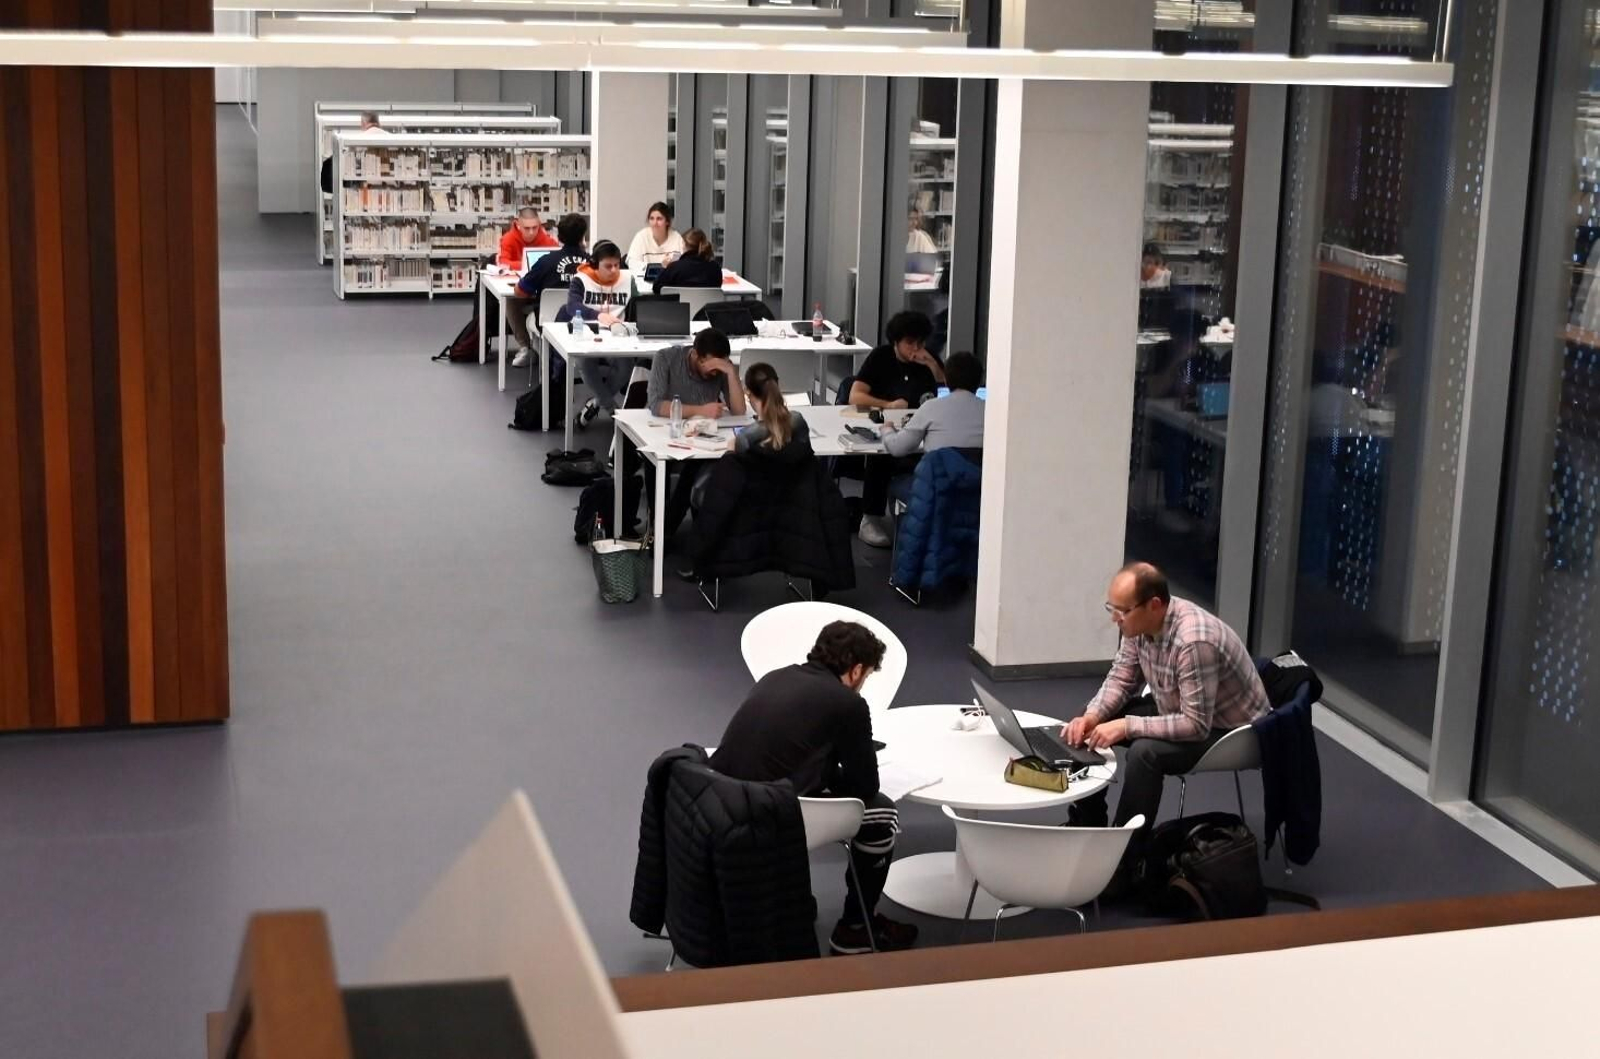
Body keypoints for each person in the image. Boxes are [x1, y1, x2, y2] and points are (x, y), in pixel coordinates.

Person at [709, 621, 918, 955]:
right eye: (865, 677)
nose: (862, 685)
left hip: (719, 799)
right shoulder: (848, 704)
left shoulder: (776, 676)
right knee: (882, 814)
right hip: (769, 813)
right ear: (857, 670)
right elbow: (865, 787)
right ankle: (855, 928)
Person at [1061, 563, 1270, 856]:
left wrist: (1127, 725)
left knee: (1145, 752)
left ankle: (1122, 856)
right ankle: (1088, 823)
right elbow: (1123, 677)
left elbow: (1196, 725)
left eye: (1121, 611)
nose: (1114, 619)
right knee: (1088, 724)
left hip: (1228, 731)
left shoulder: (1194, 641)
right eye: (1112, 608)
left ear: (1154, 605)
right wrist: (1093, 716)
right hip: (1177, 707)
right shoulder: (1138, 624)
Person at [850, 311, 946, 547]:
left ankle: (914, 508)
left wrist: (933, 365)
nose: (916, 348)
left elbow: (947, 394)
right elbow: (855, 395)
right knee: (880, 457)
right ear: (896, 342)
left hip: (922, 426)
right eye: (910, 342)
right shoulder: (880, 357)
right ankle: (870, 518)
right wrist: (888, 405)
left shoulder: (928, 361)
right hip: (886, 424)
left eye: (920, 342)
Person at [644, 329, 747, 536]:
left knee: (697, 469)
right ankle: (661, 525)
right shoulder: (665, 358)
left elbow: (738, 410)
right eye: (710, 366)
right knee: (654, 462)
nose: (714, 373)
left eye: (720, 367)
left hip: (704, 437)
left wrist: (731, 372)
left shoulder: (722, 370)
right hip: (666, 431)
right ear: (695, 355)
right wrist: (701, 410)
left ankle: (666, 532)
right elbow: (656, 405)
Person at [555, 239, 635, 424]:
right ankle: (614, 411)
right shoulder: (581, 279)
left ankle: (596, 403)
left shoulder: (627, 279)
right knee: (585, 363)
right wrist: (597, 315)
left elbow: (640, 304)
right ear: (594, 265)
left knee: (626, 366)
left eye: (617, 265)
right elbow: (572, 305)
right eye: (608, 266)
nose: (614, 270)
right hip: (587, 336)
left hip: (618, 337)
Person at [507, 212, 589, 374]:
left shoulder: (546, 261)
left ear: (559, 237)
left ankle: (530, 350)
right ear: (583, 237)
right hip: (584, 322)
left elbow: (519, 292)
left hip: (548, 322)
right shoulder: (592, 263)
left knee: (514, 303)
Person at [651, 228, 722, 293]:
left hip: (679, 307)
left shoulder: (674, 268)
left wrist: (665, 268)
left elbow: (656, 288)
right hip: (706, 307)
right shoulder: (715, 268)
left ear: (684, 244)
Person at [626, 201, 686, 272]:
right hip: (644, 280)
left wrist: (672, 265)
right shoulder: (641, 237)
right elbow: (632, 263)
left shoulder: (677, 238)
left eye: (659, 219)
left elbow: (685, 263)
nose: (655, 223)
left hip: (669, 281)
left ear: (667, 222)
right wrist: (659, 267)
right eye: (652, 218)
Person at [496, 206, 559, 271]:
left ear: (539, 224)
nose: (531, 232)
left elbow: (560, 261)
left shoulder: (547, 240)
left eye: (534, 227)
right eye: (527, 228)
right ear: (518, 225)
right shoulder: (508, 239)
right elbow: (502, 263)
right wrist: (532, 265)